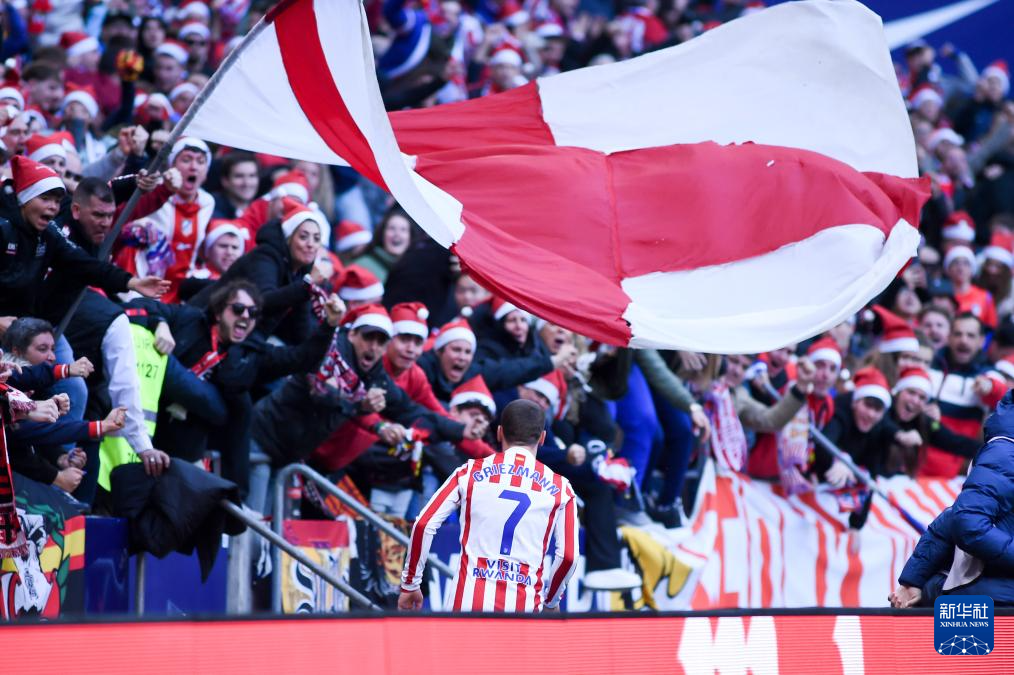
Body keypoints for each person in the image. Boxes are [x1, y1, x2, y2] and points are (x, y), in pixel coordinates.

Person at [398, 398, 580, 612]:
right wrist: (551, 601)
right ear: (542, 438)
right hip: (525, 611)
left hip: (467, 606)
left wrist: (410, 584)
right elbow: (568, 556)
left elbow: (423, 524)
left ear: (500, 433)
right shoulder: (561, 488)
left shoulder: (468, 472)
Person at [891, 390, 1014, 607]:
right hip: (985, 600)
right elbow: (968, 522)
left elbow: (957, 515)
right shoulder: (1005, 452)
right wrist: (916, 580)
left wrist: (915, 577)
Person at [926, 313, 1008, 477]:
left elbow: (1003, 396)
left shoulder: (988, 372)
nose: (963, 340)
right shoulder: (929, 364)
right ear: (949, 337)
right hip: (911, 463)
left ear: (981, 341)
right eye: (958, 334)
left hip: (952, 473)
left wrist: (989, 386)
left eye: (970, 335)